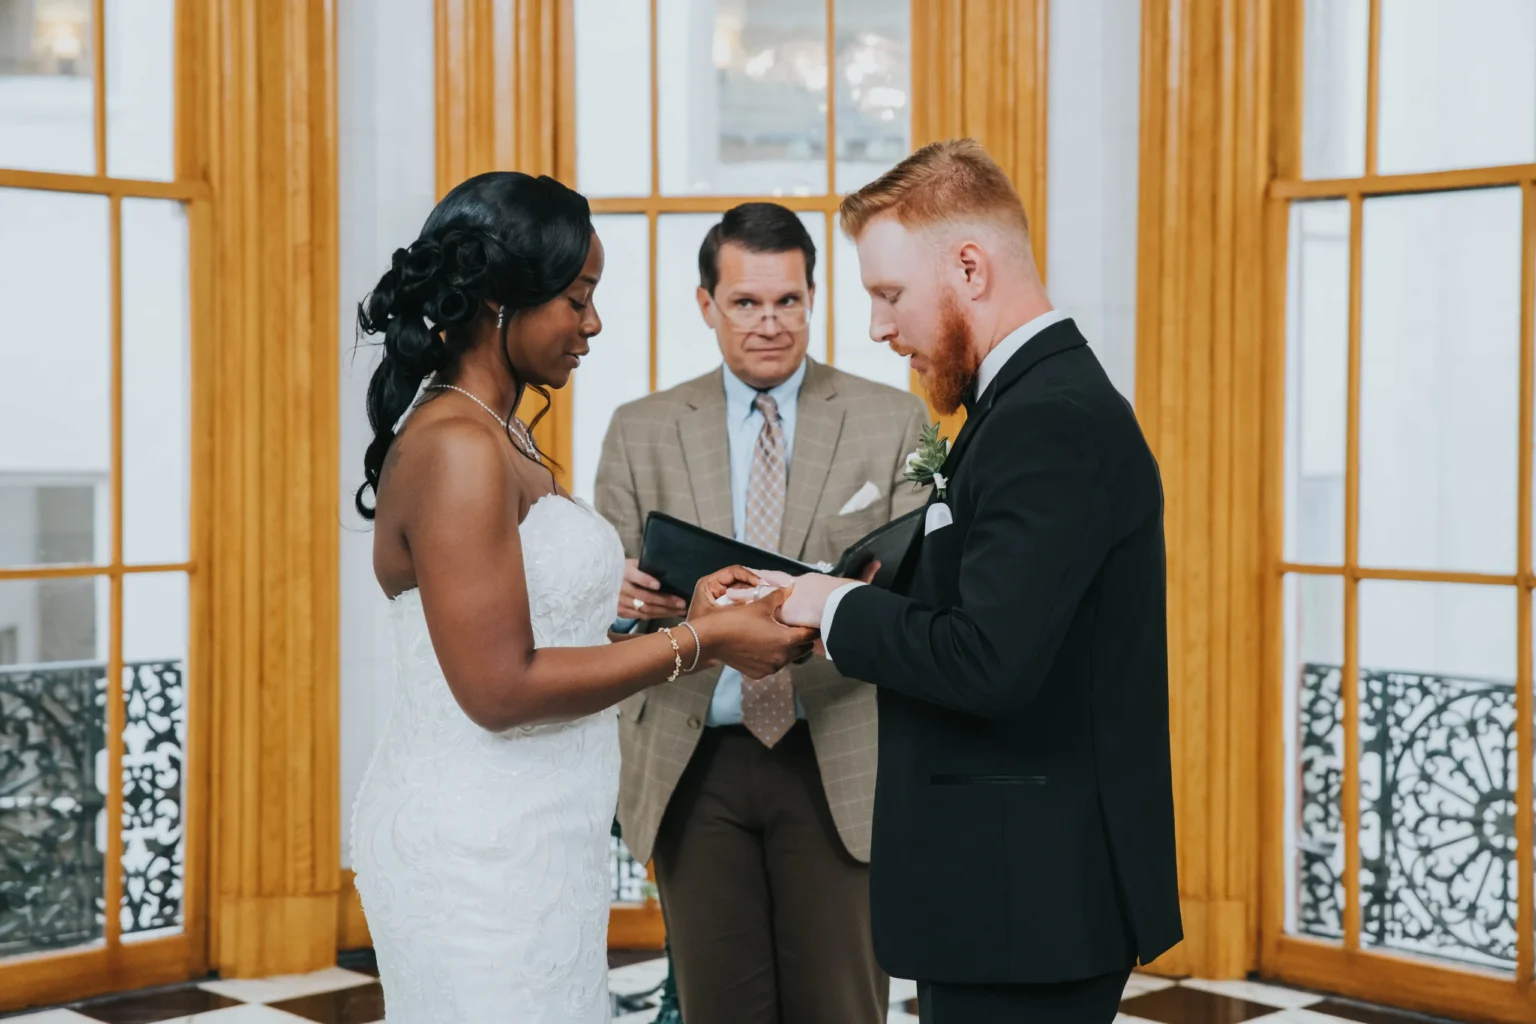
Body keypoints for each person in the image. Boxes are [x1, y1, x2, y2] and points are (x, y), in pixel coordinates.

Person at [347, 172, 815, 1023]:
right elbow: (499, 689)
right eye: (577, 297)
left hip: (540, 833)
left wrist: (688, 613)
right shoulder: (456, 446)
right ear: (497, 301)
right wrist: (707, 644)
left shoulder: (501, 432)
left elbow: (539, 630)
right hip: (477, 847)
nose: (592, 323)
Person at [778, 140, 1183, 1023]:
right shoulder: (1023, 403)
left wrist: (835, 608)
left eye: (888, 295)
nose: (879, 329)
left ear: (969, 266)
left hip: (1029, 902)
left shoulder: (1049, 420)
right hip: (1008, 894)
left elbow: (992, 660)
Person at [595, 202, 928, 1024]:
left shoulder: (894, 422)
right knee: (719, 1010)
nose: (770, 323)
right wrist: (622, 593)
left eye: (789, 301)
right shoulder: (640, 431)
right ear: (706, 304)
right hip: (690, 757)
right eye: (746, 302)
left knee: (842, 1008)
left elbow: (915, 597)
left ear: (815, 299)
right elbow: (603, 610)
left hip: (837, 751)